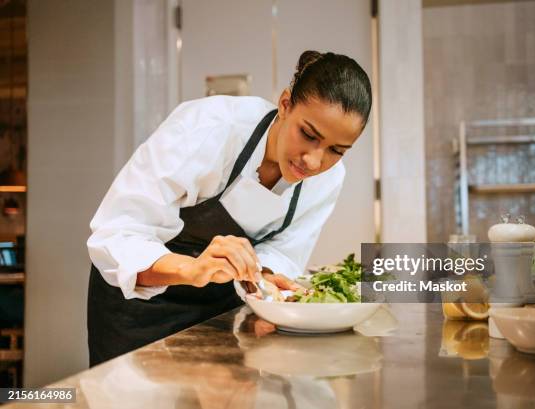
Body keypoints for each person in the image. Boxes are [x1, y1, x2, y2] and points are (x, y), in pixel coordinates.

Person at [86, 50, 372, 366]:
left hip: (219, 316)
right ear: (285, 103)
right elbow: (119, 232)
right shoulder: (212, 126)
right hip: (136, 309)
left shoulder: (328, 180)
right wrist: (192, 270)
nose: (315, 161)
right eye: (308, 134)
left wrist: (259, 274)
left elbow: (285, 252)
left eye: (336, 150)